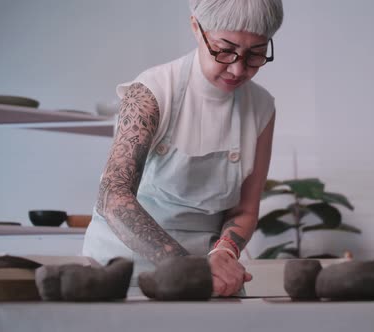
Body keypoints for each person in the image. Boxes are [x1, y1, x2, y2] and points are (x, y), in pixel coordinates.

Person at [82, 0, 284, 297]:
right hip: (122, 268)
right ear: (196, 28)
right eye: (225, 49)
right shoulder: (151, 90)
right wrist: (187, 267)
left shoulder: (262, 108)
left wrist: (224, 253)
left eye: (255, 54)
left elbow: (244, 210)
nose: (238, 68)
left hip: (210, 271)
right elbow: (113, 196)